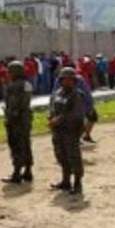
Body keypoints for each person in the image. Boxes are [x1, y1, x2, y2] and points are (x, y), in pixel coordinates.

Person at [48, 67, 86, 196]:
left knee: (73, 156)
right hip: (58, 131)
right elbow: (53, 108)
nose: (67, 82)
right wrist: (51, 118)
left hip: (71, 130)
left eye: (70, 79)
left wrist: (59, 119)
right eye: (65, 79)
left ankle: (77, 183)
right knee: (61, 155)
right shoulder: (57, 93)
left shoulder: (77, 95)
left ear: (74, 81)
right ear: (61, 80)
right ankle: (65, 181)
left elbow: (76, 114)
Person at [1, 60, 34, 184]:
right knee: (26, 143)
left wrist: (8, 117)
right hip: (26, 117)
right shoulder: (27, 84)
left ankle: (16, 173)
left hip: (17, 119)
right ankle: (28, 171)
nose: (8, 74)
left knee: (16, 145)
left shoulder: (14, 85)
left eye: (10, 72)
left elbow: (14, 104)